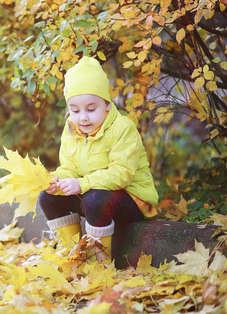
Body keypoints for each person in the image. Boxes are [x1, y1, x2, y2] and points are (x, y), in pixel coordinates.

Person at [39, 56, 159, 260]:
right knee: (48, 197)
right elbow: (69, 167)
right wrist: (58, 181)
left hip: (129, 200)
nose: (83, 117)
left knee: (95, 199)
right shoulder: (72, 129)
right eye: (75, 110)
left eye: (91, 109)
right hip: (92, 195)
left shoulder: (122, 128)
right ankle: (74, 254)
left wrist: (82, 184)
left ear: (107, 105)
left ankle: (98, 262)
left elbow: (122, 174)